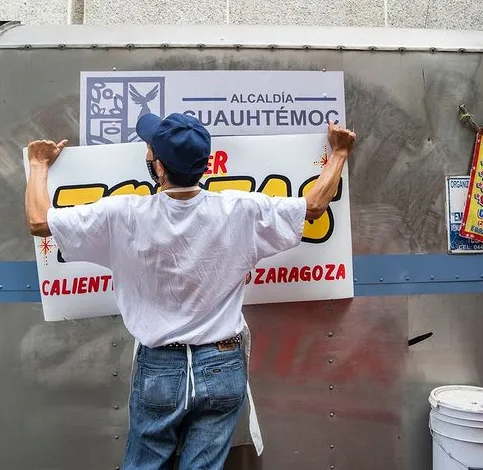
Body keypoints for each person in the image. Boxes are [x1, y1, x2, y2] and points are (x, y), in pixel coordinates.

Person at [24, 113, 356, 470]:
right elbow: (313, 206)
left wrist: (39, 164)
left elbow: (39, 221)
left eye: (150, 149)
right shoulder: (239, 210)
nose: (147, 153)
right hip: (222, 366)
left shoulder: (123, 215)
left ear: (159, 167)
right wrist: (338, 153)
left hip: (159, 369)